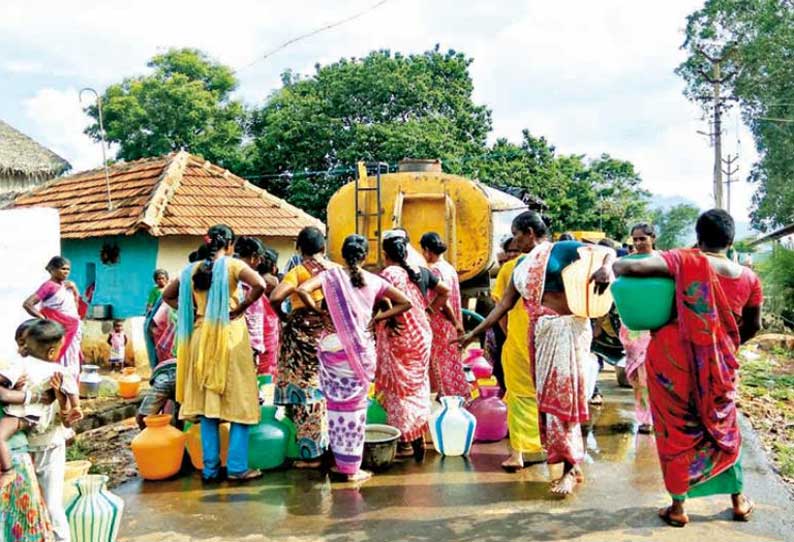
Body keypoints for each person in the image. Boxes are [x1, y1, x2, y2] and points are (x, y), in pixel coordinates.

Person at [613, 209, 762, 527]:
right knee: (723, 426)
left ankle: (679, 507)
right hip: (719, 363)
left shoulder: (682, 261)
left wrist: (611, 263)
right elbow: (754, 325)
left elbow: (625, 265)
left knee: (676, 429)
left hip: (671, 360)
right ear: (731, 239)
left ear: (698, 237)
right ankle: (737, 500)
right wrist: (724, 347)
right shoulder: (750, 278)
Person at [457, 211, 613, 495]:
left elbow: (606, 252)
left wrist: (606, 268)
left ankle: (568, 469)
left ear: (529, 232)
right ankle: (570, 465)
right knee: (548, 405)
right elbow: (502, 306)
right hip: (540, 336)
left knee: (563, 404)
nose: (514, 242)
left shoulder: (560, 249)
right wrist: (471, 335)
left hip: (569, 333)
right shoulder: (521, 267)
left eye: (517, 235)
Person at [296, 234, 412, 482]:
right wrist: (378, 318)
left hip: (331, 346)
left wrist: (317, 311)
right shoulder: (374, 280)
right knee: (356, 411)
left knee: (335, 408)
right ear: (366, 255)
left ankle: (340, 462)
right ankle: (352, 468)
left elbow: (302, 289)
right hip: (360, 348)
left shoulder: (330, 276)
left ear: (342, 253)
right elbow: (406, 303)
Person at [162, 224, 266, 483]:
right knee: (239, 401)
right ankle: (237, 467)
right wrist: (241, 306)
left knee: (208, 405)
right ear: (230, 245)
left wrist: (193, 308)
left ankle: (209, 470)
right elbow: (260, 284)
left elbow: (167, 295)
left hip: (199, 335)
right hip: (229, 336)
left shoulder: (191, 270)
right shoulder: (232, 266)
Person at [3, 319, 83, 541]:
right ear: (51, 351)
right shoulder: (59, 371)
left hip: (22, 447)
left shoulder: (18, 367)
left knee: (30, 505)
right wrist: (73, 407)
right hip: (47, 444)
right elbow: (69, 418)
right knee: (52, 505)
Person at [269, 226, 336, 467]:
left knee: (307, 392)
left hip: (302, 337)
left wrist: (284, 317)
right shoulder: (336, 270)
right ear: (323, 247)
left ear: (299, 248)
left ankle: (312, 455)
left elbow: (275, 297)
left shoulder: (298, 272)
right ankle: (334, 446)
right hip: (331, 336)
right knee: (331, 390)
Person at [376, 235, 446, 460]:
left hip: (400, 339)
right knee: (418, 388)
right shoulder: (420, 272)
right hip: (421, 336)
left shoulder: (389, 274)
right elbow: (444, 291)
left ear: (385, 255)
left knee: (400, 392)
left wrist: (381, 318)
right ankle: (418, 437)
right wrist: (428, 311)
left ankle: (405, 443)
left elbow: (379, 302)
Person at [488, 228, 544, 471]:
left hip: (519, 339)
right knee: (545, 397)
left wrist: (509, 333)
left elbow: (501, 307)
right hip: (546, 341)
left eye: (517, 236)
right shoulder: (552, 262)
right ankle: (545, 448)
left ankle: (517, 453)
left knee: (518, 397)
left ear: (529, 234)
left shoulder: (511, 269)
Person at [0, 321, 56, 541]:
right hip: (13, 452)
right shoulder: (14, 370)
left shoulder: (22, 368)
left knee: (21, 520)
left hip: (16, 450)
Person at [419, 232, 469, 398]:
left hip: (440, 322)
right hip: (450, 323)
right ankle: (459, 394)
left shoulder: (434, 271)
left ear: (427, 250)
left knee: (439, 363)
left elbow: (444, 300)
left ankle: (447, 397)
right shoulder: (449, 268)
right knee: (450, 360)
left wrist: (428, 312)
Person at [617, 223, 656, 434]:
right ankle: (645, 418)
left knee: (654, 375)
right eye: (635, 240)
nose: (639, 243)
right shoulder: (625, 263)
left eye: (643, 239)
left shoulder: (663, 262)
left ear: (653, 238)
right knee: (639, 378)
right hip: (633, 327)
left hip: (656, 325)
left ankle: (655, 417)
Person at [23, 257, 83, 378]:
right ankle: (61, 390)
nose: (66, 272)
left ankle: (69, 391)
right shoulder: (48, 286)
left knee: (72, 360)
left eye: (68, 269)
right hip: (59, 330)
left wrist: (75, 289)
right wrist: (44, 319)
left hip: (72, 328)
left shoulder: (67, 286)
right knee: (59, 360)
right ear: (53, 270)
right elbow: (28, 304)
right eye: (63, 269)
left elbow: (74, 308)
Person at [235, 236, 266, 362]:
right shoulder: (251, 279)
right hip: (246, 338)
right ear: (253, 256)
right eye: (259, 258)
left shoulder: (230, 272)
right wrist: (243, 306)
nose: (260, 262)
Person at [257, 248, 281, 376]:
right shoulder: (275, 282)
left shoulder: (250, 281)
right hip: (270, 330)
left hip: (254, 331)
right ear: (273, 267)